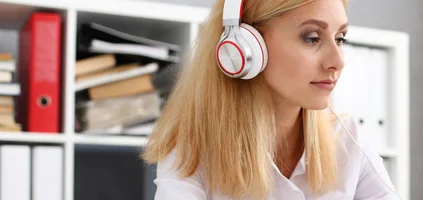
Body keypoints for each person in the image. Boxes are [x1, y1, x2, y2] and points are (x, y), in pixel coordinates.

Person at [141, 0, 399, 199]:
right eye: (312, 38)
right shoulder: (191, 147)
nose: (338, 61)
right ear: (244, 46)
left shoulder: (347, 139)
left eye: (340, 38)